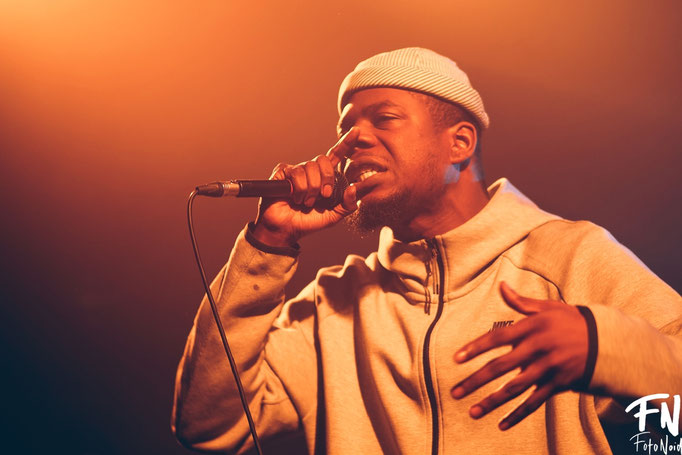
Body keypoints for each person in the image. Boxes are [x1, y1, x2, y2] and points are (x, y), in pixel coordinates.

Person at [172, 47, 682, 454]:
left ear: (459, 144)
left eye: (384, 118)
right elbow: (208, 427)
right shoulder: (335, 305)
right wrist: (266, 245)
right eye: (346, 127)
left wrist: (602, 347)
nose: (353, 139)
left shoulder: (569, 256)